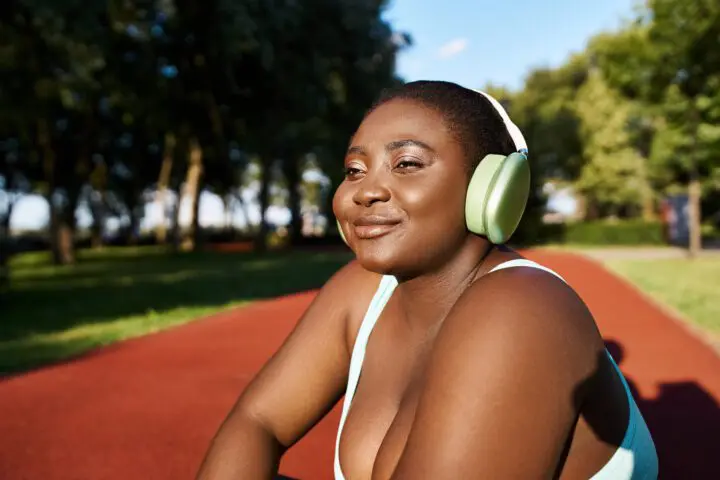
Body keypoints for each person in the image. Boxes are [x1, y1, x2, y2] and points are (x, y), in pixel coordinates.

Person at [196, 81, 658, 479]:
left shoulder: (524, 310)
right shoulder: (360, 291)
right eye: (355, 170)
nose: (366, 190)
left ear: (491, 188)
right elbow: (258, 421)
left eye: (407, 164)